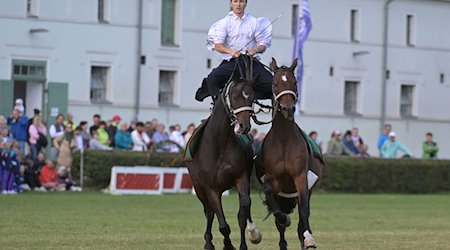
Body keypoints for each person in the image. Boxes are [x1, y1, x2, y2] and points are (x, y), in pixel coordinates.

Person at [194, 0, 273, 103]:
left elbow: (263, 44)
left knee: (274, 85)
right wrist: (231, 52)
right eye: (235, 1)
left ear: (246, 3)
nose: (238, 4)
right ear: (231, 3)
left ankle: (251, 96)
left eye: (241, 1)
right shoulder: (224, 22)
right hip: (233, 62)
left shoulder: (254, 22)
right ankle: (218, 104)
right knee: (212, 78)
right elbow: (217, 46)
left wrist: (256, 49)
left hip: (251, 63)